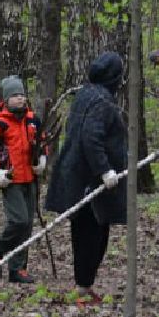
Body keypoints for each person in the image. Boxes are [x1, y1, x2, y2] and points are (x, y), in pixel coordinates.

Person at [44, 51, 129, 304]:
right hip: (89, 182)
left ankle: (84, 285)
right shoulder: (101, 102)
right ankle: (82, 288)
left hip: (79, 178)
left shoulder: (85, 94)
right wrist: (104, 170)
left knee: (89, 233)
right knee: (92, 235)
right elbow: (91, 137)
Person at [0, 76, 45, 285]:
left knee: (27, 224)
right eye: (15, 96)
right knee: (18, 221)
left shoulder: (33, 120)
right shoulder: (0, 124)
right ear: (6, 99)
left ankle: (17, 268)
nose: (20, 99)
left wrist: (43, 160)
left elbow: (42, 142)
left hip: (30, 179)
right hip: (11, 180)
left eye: (22, 95)